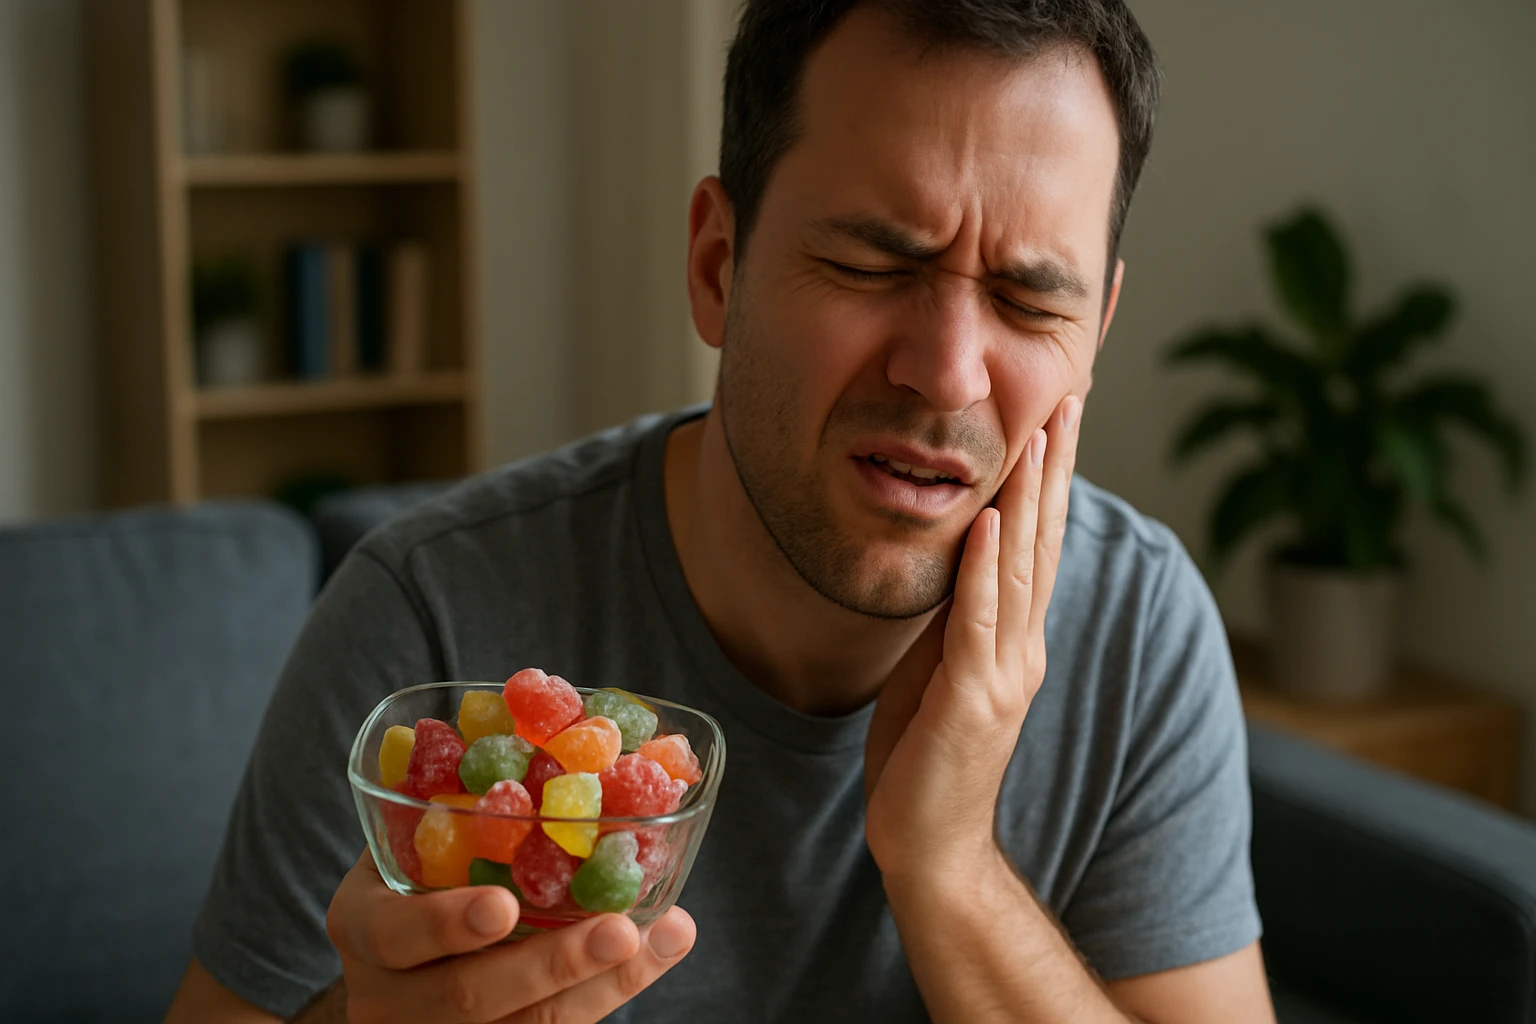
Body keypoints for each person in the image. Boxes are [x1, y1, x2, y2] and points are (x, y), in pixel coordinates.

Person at [165, 1, 1278, 1021]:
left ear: (1098, 330)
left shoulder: (1141, 621)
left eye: (1031, 299)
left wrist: (947, 865)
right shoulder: (432, 615)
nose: (947, 373)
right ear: (716, 262)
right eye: (869, 263)